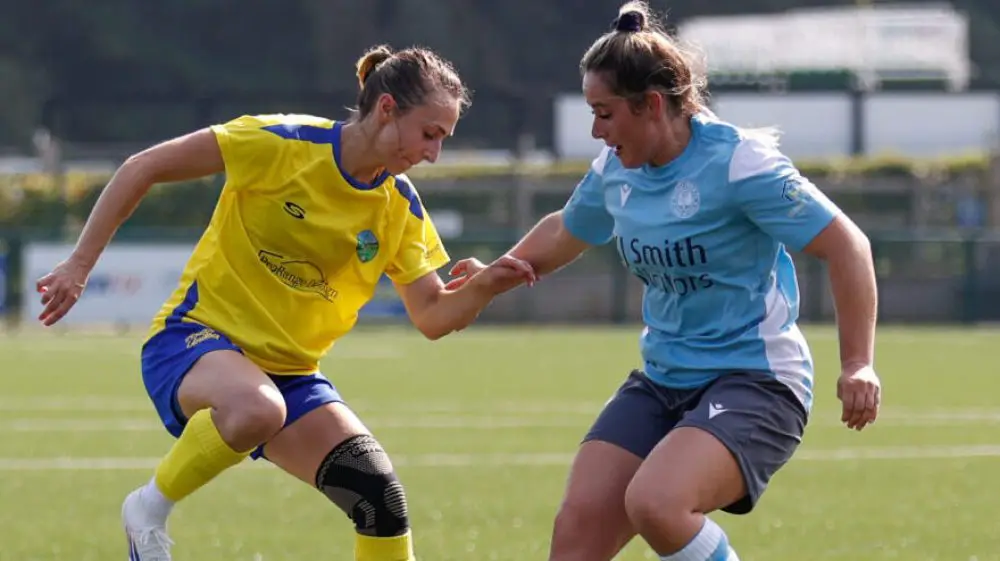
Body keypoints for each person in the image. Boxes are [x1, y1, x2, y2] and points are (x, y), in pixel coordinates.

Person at [34, 44, 534, 561]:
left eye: (443, 140)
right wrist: (79, 265)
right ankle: (149, 507)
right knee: (256, 408)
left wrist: (486, 285)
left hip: (289, 376)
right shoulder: (281, 142)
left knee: (379, 502)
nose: (434, 153)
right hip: (193, 340)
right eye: (430, 134)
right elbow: (142, 167)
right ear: (386, 108)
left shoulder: (399, 205)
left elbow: (431, 315)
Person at [446, 2, 882, 560]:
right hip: (662, 379)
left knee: (657, 502)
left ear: (651, 105)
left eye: (605, 113)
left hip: (755, 381)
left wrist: (857, 363)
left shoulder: (739, 164)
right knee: (576, 535)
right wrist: (490, 277)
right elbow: (565, 230)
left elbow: (848, 246)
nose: (596, 131)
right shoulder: (616, 171)